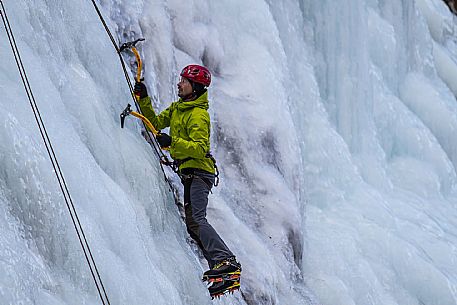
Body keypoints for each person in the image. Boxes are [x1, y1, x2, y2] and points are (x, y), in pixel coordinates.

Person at [134, 64, 241, 287]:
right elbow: (155, 123)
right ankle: (221, 270)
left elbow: (200, 148)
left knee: (198, 220)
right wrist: (143, 99)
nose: (179, 84)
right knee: (193, 224)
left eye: (184, 81)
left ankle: (226, 261)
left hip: (200, 173)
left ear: (196, 88)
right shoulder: (177, 109)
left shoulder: (198, 115)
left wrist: (173, 142)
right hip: (190, 173)